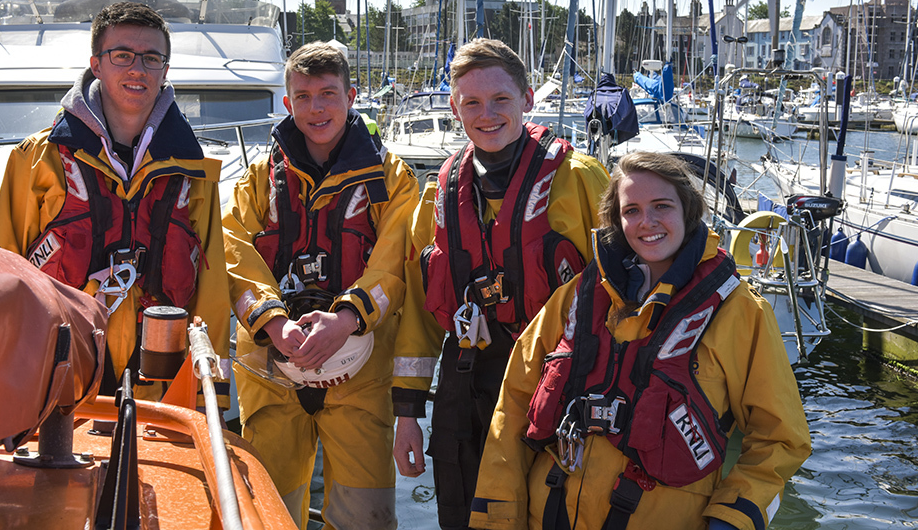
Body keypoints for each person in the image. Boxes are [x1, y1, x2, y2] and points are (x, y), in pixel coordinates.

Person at [469, 151, 812, 530]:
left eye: (662, 206)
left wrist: (734, 516)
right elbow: (513, 406)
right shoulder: (576, 297)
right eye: (631, 210)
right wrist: (497, 517)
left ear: (687, 209)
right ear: (616, 219)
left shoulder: (740, 311)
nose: (647, 222)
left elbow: (781, 438)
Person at [392, 38, 610, 530]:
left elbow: (629, 293)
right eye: (471, 102)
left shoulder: (580, 180)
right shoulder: (437, 197)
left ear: (528, 99)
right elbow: (420, 316)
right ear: (454, 109)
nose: (486, 114)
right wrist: (407, 412)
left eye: (500, 99)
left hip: (560, 387)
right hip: (466, 386)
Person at [0, 0, 230, 405]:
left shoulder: (193, 168)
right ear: (96, 65)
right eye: (122, 55)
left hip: (161, 378)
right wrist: (2, 388)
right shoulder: (38, 158)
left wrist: (210, 398)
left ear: (165, 70)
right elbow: (4, 271)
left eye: (152, 58)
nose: (138, 69)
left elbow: (212, 288)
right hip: (60, 376)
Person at [223, 42, 418, 530]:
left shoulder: (391, 179)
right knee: (266, 513)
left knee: (366, 518)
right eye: (304, 96)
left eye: (328, 94)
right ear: (287, 102)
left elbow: (396, 260)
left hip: (361, 374)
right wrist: (274, 323)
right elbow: (230, 247)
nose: (317, 108)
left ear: (351, 97)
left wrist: (347, 319)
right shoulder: (260, 178)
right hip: (270, 367)